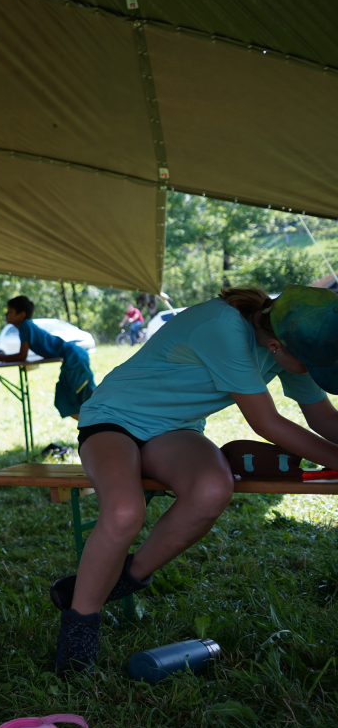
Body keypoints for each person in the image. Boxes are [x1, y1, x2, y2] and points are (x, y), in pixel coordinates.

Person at [51, 285, 338, 674]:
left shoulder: (289, 340)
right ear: (276, 345)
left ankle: (123, 578)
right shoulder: (224, 326)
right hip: (113, 419)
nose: (314, 372)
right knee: (124, 512)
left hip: (175, 431)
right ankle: (80, 629)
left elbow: (324, 418)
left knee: (212, 490)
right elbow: (267, 422)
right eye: (313, 365)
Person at [0, 295, 96, 419]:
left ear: (21, 315)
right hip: (72, 356)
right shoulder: (25, 326)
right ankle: (93, 425)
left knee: (82, 395)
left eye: (10, 311)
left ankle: (100, 423)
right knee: (63, 400)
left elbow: (22, 356)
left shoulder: (25, 326)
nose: (6, 314)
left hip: (73, 356)